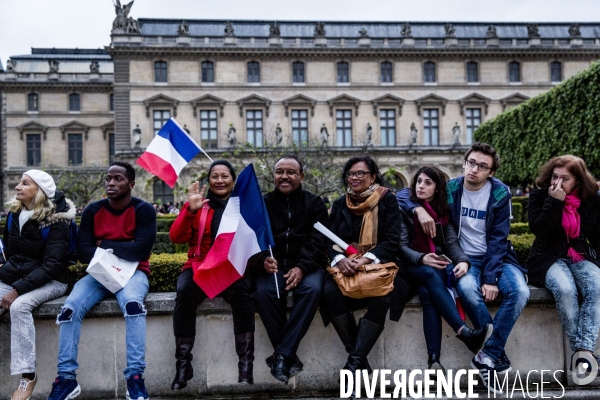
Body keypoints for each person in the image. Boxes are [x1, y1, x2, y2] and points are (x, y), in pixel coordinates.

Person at [397, 143, 529, 393]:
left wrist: (490, 278)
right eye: (471, 163)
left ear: (490, 172)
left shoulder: (501, 193)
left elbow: (499, 240)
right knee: (468, 290)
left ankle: (486, 355)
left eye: (482, 166)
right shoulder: (452, 188)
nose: (474, 169)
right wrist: (417, 210)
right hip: (464, 259)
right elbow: (407, 192)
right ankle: (492, 357)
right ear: (464, 163)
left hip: (498, 259)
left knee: (521, 292)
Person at [47, 162, 156, 400]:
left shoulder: (144, 210)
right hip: (98, 274)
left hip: (134, 273)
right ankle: (66, 379)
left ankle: (135, 379)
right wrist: (122, 247)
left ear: (131, 184)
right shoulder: (93, 211)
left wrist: (102, 244)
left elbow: (140, 251)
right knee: (69, 308)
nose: (111, 183)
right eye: (108, 179)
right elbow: (84, 253)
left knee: (133, 307)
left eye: (118, 179)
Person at [169, 160, 255, 389]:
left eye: (225, 176)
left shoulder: (242, 207)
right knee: (185, 293)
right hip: (200, 267)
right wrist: (189, 209)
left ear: (233, 181)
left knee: (243, 296)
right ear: (208, 181)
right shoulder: (201, 207)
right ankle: (183, 365)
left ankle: (246, 365)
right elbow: (176, 237)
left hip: (231, 268)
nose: (219, 180)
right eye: (214, 176)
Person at [397, 166, 492, 374]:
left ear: (438, 189)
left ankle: (434, 360)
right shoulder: (404, 207)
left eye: (428, 183)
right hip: (408, 266)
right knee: (430, 274)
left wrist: (463, 261)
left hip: (432, 266)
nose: (421, 186)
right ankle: (463, 332)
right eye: (419, 181)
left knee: (427, 293)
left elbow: (451, 243)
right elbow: (401, 247)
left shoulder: (442, 213)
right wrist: (422, 257)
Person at [250, 155, 328, 385]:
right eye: (279, 172)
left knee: (312, 290)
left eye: (290, 172)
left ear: (301, 177)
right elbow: (251, 240)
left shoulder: (315, 204)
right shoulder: (262, 204)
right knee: (262, 294)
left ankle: (281, 355)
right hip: (273, 265)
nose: (284, 176)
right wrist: (262, 259)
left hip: (307, 265)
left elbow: (319, 242)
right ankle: (287, 356)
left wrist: (302, 267)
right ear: (273, 176)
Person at [322, 155, 400, 381]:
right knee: (328, 292)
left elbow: (392, 239)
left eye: (360, 173)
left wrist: (366, 259)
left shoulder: (387, 200)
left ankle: (354, 363)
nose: (354, 178)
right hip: (346, 266)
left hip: (379, 265)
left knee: (383, 297)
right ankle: (358, 361)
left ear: (373, 176)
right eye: (350, 174)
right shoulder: (339, 203)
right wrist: (340, 259)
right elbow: (332, 239)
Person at [0, 170, 74, 400]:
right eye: (19, 183)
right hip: (19, 277)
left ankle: (27, 378)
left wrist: (16, 290)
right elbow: (11, 256)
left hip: (52, 281)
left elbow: (52, 265)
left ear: (39, 191)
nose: (17, 187)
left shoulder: (57, 220)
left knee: (19, 306)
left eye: (25, 183)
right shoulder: (14, 214)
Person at [526, 155, 600, 370]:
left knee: (597, 287)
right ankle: (585, 353)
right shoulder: (540, 196)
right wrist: (554, 202)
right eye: (554, 177)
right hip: (547, 257)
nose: (557, 183)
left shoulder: (591, 200)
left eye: (564, 178)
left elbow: (597, 236)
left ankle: (583, 351)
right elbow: (539, 229)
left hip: (579, 255)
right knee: (565, 289)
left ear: (577, 180)